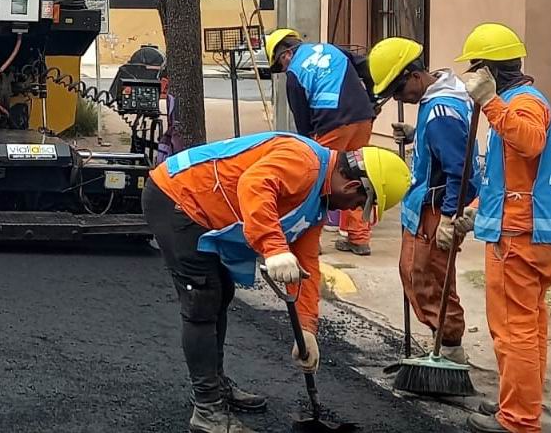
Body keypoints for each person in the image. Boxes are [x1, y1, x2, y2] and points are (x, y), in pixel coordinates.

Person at [142, 131, 409, 432]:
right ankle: (208, 411)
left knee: (221, 292)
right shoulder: (304, 163)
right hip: (177, 198)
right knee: (202, 299)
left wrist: (307, 329)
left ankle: (215, 387)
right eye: (360, 202)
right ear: (351, 185)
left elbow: (306, 265)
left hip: (201, 206)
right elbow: (254, 185)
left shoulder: (317, 199)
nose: (353, 211)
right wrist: (275, 248)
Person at [452, 24, 551, 433]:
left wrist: (489, 102)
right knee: (530, 326)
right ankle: (521, 407)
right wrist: (475, 209)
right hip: (528, 230)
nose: (471, 76)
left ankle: (519, 420)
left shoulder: (519, 104)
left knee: (514, 330)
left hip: (518, 234)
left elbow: (529, 142)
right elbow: (504, 176)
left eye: (476, 70)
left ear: (488, 71)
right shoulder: (524, 101)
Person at [366, 37, 478, 365]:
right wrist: (418, 135)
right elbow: (447, 149)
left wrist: (448, 218)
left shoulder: (442, 110)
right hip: (426, 203)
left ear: (415, 76)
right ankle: (441, 342)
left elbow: (461, 168)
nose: (399, 99)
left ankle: (450, 348)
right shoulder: (438, 102)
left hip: (437, 207)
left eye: (398, 92)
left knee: (428, 278)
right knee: (416, 273)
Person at [265, 28, 379, 254]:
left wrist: (308, 148)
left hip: (331, 123)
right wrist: (372, 99)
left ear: (286, 54)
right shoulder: (333, 49)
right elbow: (367, 66)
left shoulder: (295, 74)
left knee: (318, 181)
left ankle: (310, 241)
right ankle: (359, 238)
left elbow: (302, 121)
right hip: (363, 117)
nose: (283, 70)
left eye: (280, 65)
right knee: (357, 175)